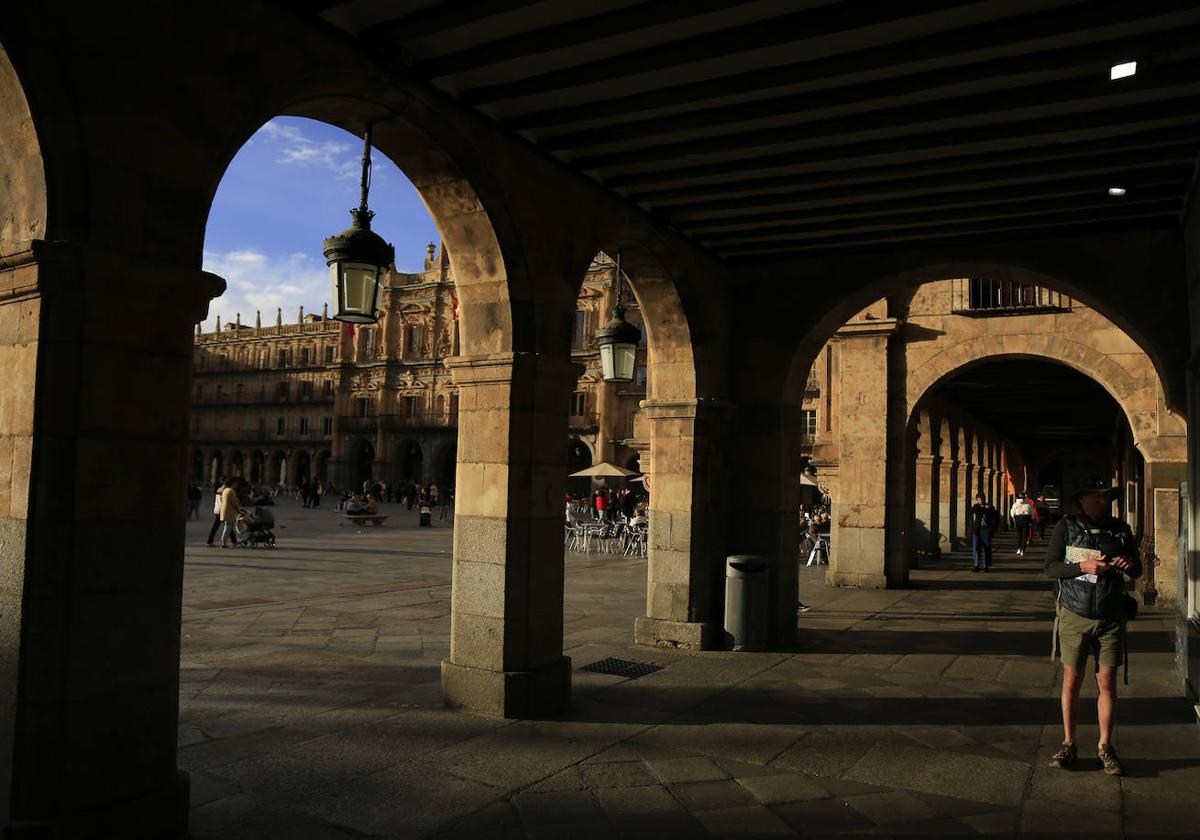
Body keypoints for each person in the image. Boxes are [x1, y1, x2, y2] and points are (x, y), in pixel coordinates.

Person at [1045, 479, 1140, 777]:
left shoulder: (1120, 528)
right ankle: (1069, 742)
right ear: (1082, 499)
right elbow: (1051, 568)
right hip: (1075, 613)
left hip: (1111, 614)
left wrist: (1128, 562)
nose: (1102, 502)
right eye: (1095, 497)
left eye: (1105, 497)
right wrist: (1081, 568)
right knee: (1071, 679)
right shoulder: (1067, 526)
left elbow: (1137, 568)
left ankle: (1104, 746)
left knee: (1107, 681)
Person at [968, 493, 998, 572]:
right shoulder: (976, 506)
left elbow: (994, 518)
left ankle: (986, 566)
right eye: (978, 500)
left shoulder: (990, 507)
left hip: (985, 530)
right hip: (977, 530)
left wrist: (991, 529)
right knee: (976, 548)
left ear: (984, 499)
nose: (980, 501)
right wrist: (985, 508)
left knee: (986, 548)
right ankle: (976, 565)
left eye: (981, 499)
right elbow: (975, 510)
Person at [218, 478, 241, 548]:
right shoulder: (231, 491)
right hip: (229, 511)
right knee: (228, 528)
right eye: (236, 484)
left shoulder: (225, 490)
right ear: (232, 484)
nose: (237, 485)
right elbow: (234, 502)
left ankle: (225, 541)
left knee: (228, 527)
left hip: (225, 511)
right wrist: (238, 510)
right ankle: (223, 542)